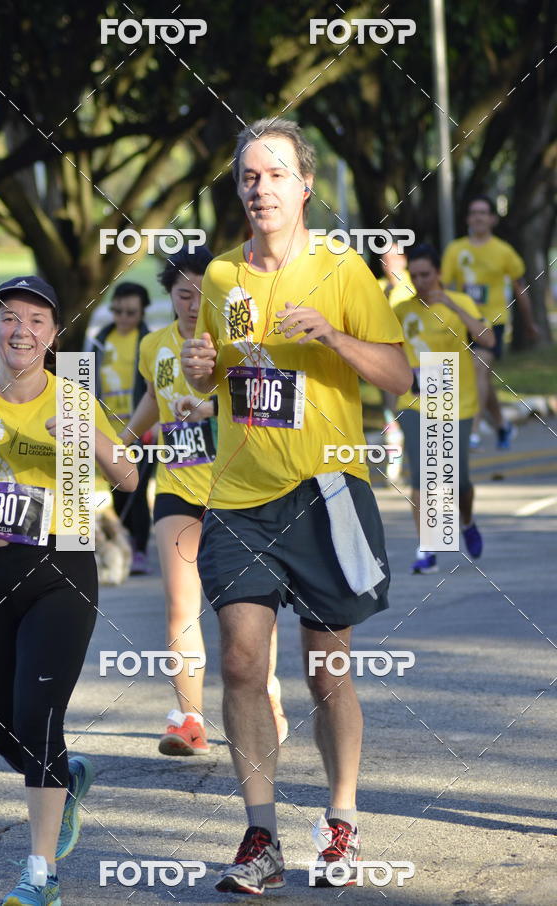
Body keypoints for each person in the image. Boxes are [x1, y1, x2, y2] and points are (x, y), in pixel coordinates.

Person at [181, 118, 412, 893]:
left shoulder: (343, 271)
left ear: (305, 186)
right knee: (243, 661)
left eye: (276, 174)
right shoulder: (220, 278)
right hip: (239, 498)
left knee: (326, 673)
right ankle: (261, 836)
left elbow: (400, 376)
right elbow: (213, 381)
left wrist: (333, 339)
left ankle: (340, 819)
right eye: (249, 176)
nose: (260, 188)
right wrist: (200, 367)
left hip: (325, 494)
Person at [0, 276, 138, 906]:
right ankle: (67, 775)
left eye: (37, 320)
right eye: (10, 317)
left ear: (53, 336)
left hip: (62, 567)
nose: (22, 330)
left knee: (37, 716)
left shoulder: (73, 401)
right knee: (6, 729)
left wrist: (85, 441)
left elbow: (130, 475)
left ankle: (40, 876)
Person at [120, 248, 288, 758]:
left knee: (250, 611)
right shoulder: (154, 345)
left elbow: (264, 396)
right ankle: (188, 718)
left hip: (238, 488)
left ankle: (268, 700)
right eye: (183, 294)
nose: (194, 304)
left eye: (203, 294)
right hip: (177, 487)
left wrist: (212, 406)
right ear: (169, 295)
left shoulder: (237, 339)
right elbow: (153, 396)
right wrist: (125, 438)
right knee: (180, 606)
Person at [393, 244, 495, 573]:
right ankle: (426, 549)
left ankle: (466, 522)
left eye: (427, 274)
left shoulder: (460, 302)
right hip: (414, 400)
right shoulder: (400, 308)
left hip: (455, 401)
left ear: (438, 273)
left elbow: (488, 340)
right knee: (423, 475)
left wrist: (451, 303)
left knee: (458, 481)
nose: (421, 281)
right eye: (415, 275)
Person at [441, 195, 539, 449]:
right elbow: (443, 287)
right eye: (473, 212)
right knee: (480, 375)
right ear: (467, 219)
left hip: (493, 321)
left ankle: (472, 431)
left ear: (493, 219)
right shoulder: (455, 250)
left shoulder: (504, 251)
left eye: (483, 212)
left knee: (479, 368)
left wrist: (529, 323)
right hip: (464, 321)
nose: (478, 217)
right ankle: (502, 424)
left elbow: (520, 289)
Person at [90, 281, 153, 574]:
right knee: (118, 491)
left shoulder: (149, 342)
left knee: (137, 491)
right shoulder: (101, 340)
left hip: (142, 429)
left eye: (130, 312)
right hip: (109, 430)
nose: (123, 318)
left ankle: (139, 547)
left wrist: (150, 423)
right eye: (117, 311)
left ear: (142, 313)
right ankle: (125, 539)